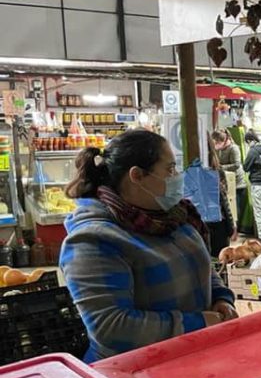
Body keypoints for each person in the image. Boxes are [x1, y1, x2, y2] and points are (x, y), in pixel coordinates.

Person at [60, 129, 237, 363]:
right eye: (170, 169)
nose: (177, 176)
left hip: (193, 357)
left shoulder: (175, 217)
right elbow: (111, 326)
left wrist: (222, 299)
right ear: (137, 176)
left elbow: (204, 266)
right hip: (135, 373)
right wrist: (199, 323)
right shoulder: (93, 240)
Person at [212, 130, 248, 233]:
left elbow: (237, 165)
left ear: (223, 140)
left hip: (237, 183)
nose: (215, 145)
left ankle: (236, 230)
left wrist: (221, 167)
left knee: (236, 210)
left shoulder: (234, 148)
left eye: (217, 142)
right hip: (226, 182)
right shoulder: (221, 149)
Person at [206, 139, 238, 257]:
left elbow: (223, 200)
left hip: (204, 228)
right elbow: (223, 202)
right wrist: (231, 226)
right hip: (217, 226)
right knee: (219, 265)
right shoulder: (216, 171)